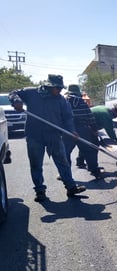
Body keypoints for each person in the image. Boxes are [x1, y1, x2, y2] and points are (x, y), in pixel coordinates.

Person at [8, 74, 86, 202]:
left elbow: (68, 117)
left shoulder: (61, 100)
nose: (60, 90)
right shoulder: (31, 93)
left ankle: (71, 187)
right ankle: (40, 191)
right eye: (58, 88)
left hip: (54, 135)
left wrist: (71, 130)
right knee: (36, 165)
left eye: (61, 88)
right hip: (34, 135)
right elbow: (13, 93)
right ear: (49, 86)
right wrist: (16, 101)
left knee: (63, 162)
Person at [63, 84, 102, 179]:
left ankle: (65, 173)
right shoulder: (82, 102)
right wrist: (95, 129)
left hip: (68, 130)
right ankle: (94, 170)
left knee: (65, 152)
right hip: (82, 129)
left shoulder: (63, 102)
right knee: (89, 150)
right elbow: (90, 117)